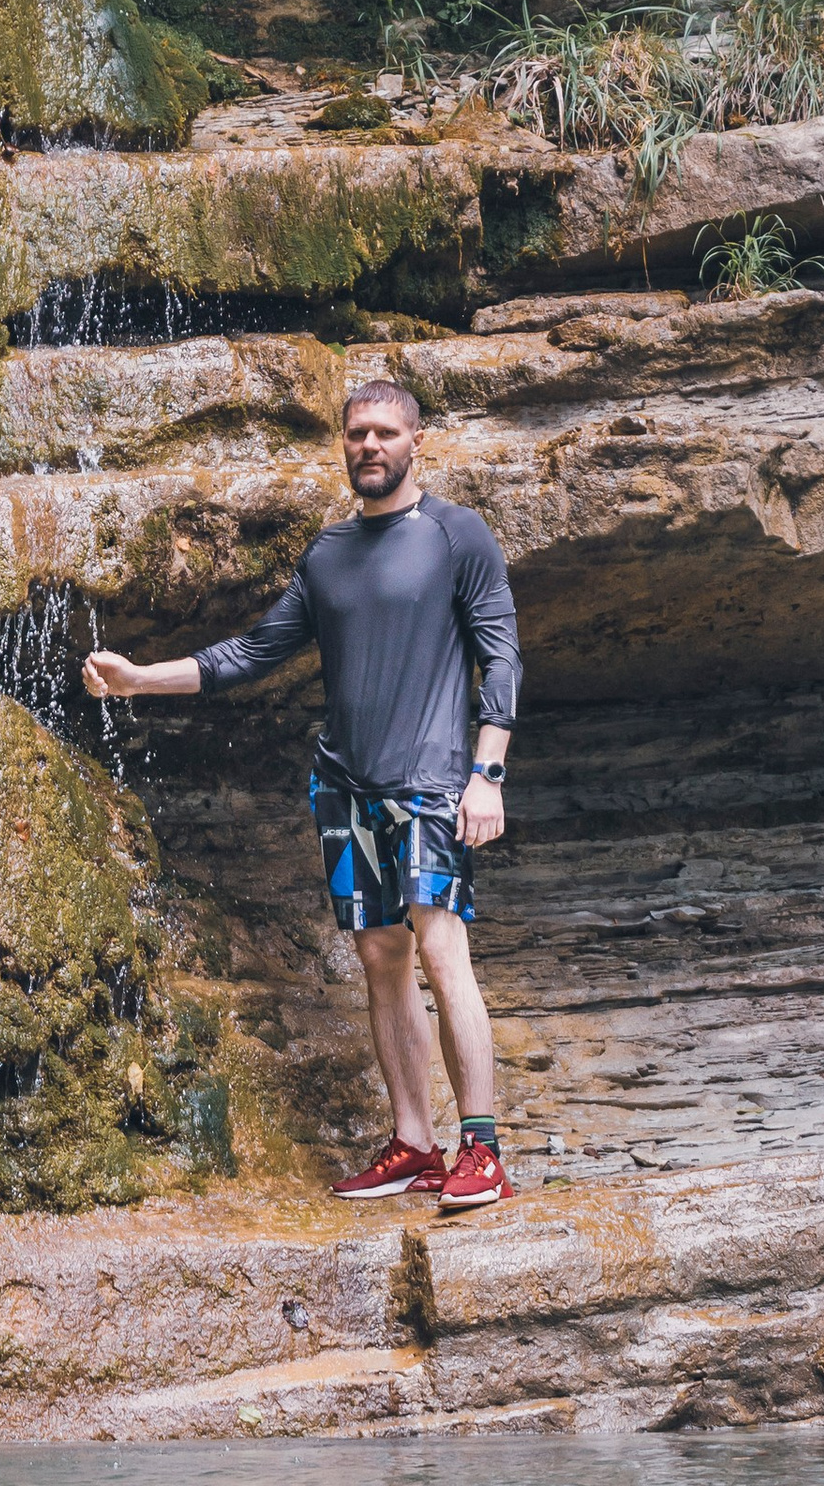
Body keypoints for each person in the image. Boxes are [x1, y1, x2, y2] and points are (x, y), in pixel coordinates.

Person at [81, 377, 521, 1214]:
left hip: (432, 784)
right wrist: (138, 678)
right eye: (357, 434)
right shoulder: (327, 556)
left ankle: (483, 1150)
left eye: (386, 433)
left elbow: (502, 659)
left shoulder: (457, 536)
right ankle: (415, 1144)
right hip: (346, 788)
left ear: (416, 442)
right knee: (381, 959)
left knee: (440, 950)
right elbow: (249, 654)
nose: (370, 446)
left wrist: (487, 772)